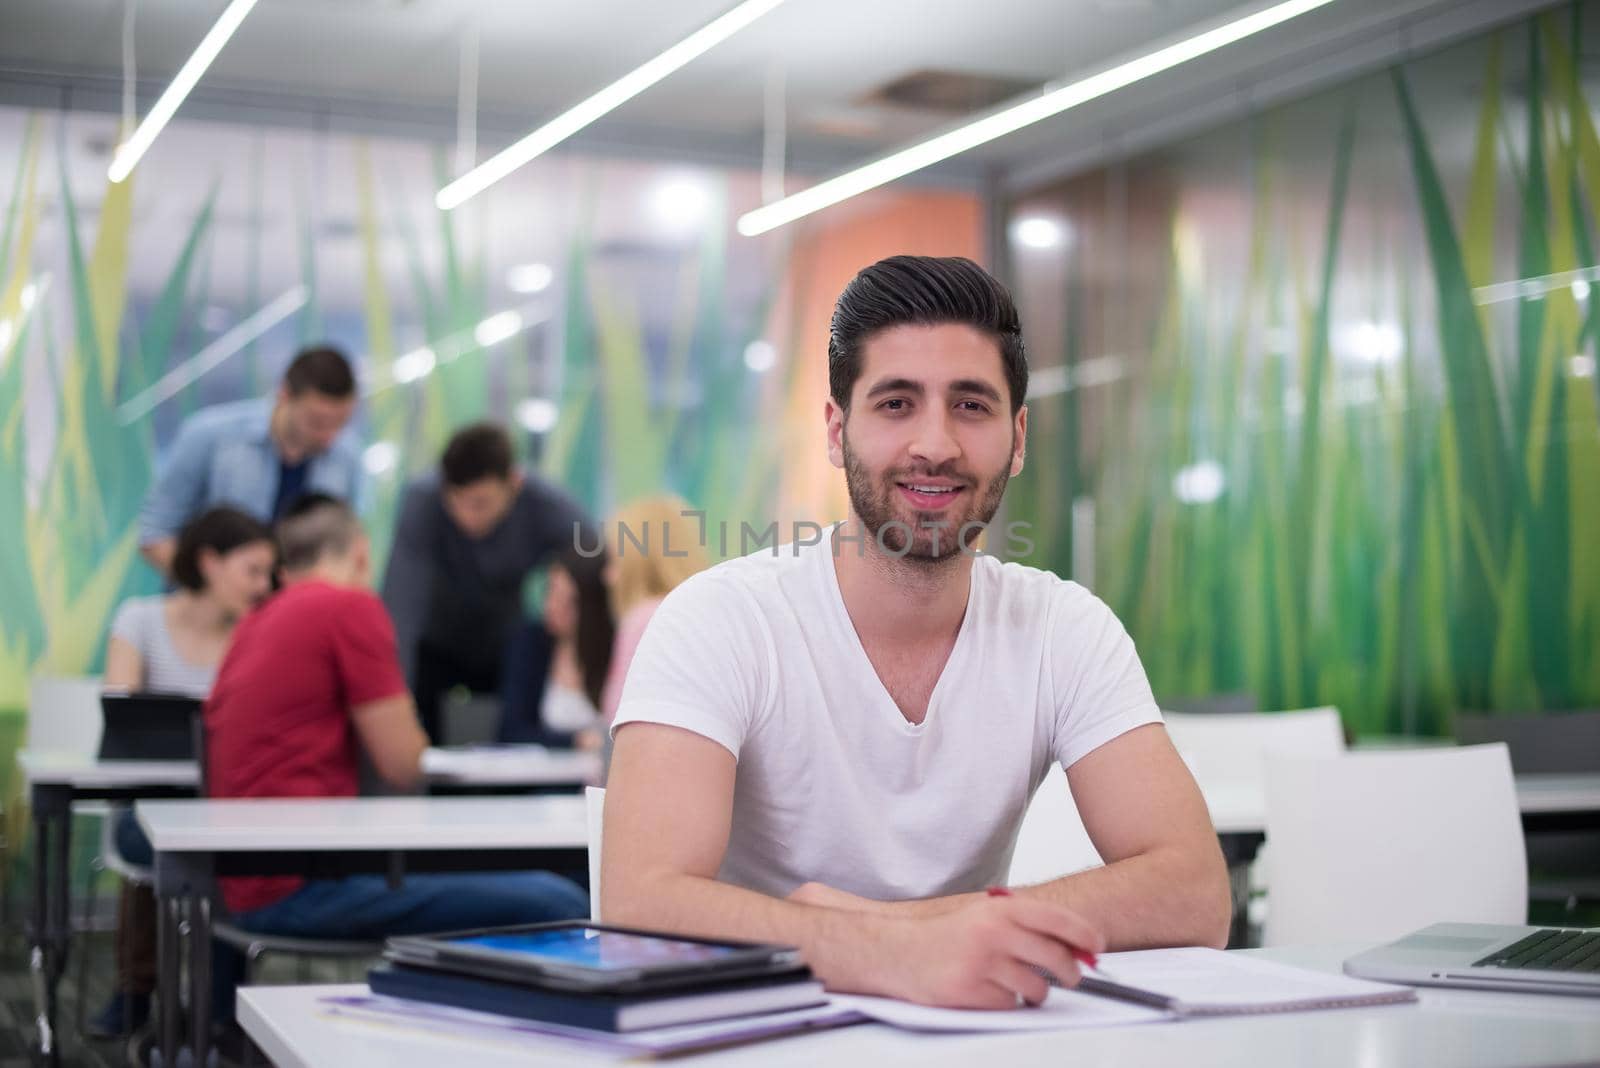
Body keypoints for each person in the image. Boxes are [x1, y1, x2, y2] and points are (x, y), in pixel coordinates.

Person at [601, 255, 1231, 1010]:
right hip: (755, 1038)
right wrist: (896, 954)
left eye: (971, 405)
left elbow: (1195, 893)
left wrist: (898, 932)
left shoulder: (1067, 628)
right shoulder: (719, 621)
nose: (935, 443)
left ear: (1018, 435)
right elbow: (637, 901)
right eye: (896, 404)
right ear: (837, 431)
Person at [204, 493, 589, 1020]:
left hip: (238, 879)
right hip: (299, 885)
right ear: (362, 555)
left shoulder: (257, 619)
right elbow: (403, 761)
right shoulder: (348, 607)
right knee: (557, 899)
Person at [89, 507, 277, 1038]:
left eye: (270, 574)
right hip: (148, 800)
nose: (264, 587)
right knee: (174, 840)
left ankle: (217, 1010)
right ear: (210, 562)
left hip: (226, 805)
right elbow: (122, 711)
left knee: (221, 848)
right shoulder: (140, 619)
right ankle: (144, 990)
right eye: (253, 571)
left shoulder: (258, 632)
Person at [381, 422, 591, 742]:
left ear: (514, 484)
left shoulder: (546, 506)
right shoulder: (422, 499)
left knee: (514, 730)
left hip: (505, 642)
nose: (468, 517)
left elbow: (595, 564)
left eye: (481, 503)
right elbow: (402, 603)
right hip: (435, 641)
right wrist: (393, 702)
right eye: (456, 503)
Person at [138, 344, 365, 577]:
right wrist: (209, 589)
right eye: (316, 422)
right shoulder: (210, 436)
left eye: (340, 424)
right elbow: (155, 532)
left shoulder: (347, 457)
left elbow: (350, 546)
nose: (328, 436)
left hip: (298, 608)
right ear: (284, 395)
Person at [594, 496, 711, 729]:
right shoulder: (704, 615)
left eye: (615, 561)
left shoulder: (643, 620)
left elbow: (620, 714)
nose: (608, 577)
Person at [497, 548, 615, 746]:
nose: (552, 606)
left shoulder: (617, 648)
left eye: (569, 601)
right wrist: (574, 741)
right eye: (550, 591)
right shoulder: (531, 643)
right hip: (545, 772)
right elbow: (510, 730)